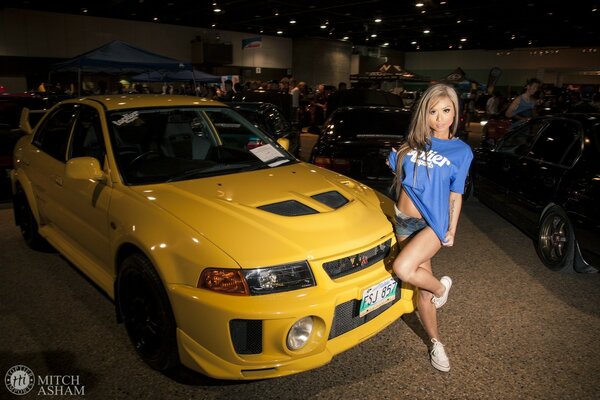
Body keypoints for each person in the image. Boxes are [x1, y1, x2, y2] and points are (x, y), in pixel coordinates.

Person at [386, 83, 473, 372]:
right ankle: (437, 343)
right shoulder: (412, 145)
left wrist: (451, 229)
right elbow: (401, 172)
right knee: (419, 287)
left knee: (403, 269)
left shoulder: (461, 151)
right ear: (425, 113)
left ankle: (441, 288)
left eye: (446, 111)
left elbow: (455, 194)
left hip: (431, 224)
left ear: (455, 113)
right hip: (403, 221)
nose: (439, 118)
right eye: (433, 111)